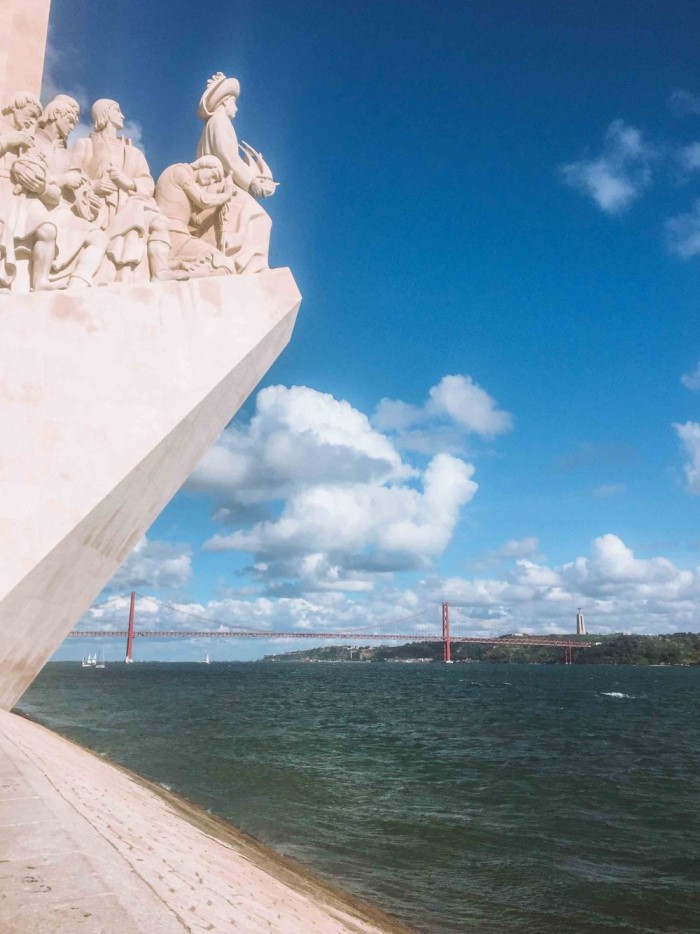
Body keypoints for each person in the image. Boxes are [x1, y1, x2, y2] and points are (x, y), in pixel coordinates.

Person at [71, 99, 177, 283]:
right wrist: (95, 185)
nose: (122, 115)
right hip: (100, 208)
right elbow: (70, 178)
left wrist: (127, 182)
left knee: (159, 222)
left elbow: (147, 183)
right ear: (105, 113)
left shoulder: (132, 152)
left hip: (131, 204)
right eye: (117, 110)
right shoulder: (85, 145)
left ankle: (160, 271)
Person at [9, 94, 108, 290]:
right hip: (32, 203)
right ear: (55, 114)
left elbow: (79, 191)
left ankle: (76, 287)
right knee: (47, 229)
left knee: (99, 238)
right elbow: (28, 175)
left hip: (61, 211)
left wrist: (89, 198)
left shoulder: (67, 155)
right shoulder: (30, 141)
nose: (73, 126)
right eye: (70, 120)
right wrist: (62, 180)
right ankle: (40, 282)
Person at [196, 72, 276, 274]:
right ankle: (250, 268)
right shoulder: (220, 121)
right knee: (261, 219)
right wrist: (251, 183)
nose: (236, 107)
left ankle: (241, 259)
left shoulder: (215, 123)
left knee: (254, 219)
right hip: (221, 185)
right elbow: (227, 157)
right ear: (224, 102)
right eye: (234, 102)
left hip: (221, 183)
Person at [154, 156, 235, 276]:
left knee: (225, 265)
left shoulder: (185, 192)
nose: (212, 182)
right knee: (224, 264)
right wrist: (227, 194)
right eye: (214, 175)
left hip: (179, 236)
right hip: (173, 235)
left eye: (216, 180)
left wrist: (219, 204)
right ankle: (179, 276)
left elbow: (197, 221)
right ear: (204, 166)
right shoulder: (179, 171)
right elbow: (204, 200)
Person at [0, 91, 42, 290]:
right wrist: (9, 142)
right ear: (16, 106)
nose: (32, 120)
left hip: (14, 193)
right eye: (30, 113)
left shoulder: (26, 138)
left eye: (35, 117)